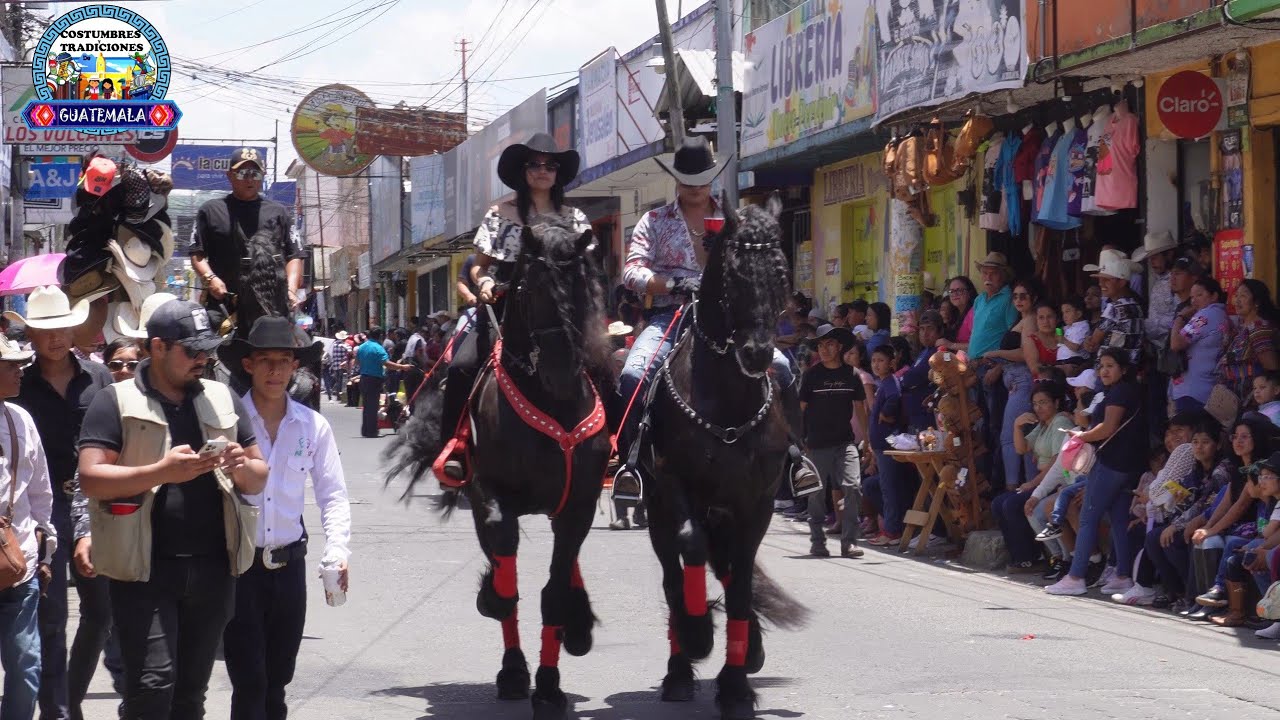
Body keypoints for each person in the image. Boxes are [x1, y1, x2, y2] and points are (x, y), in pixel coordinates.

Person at [76, 300, 269, 720]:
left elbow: (258, 477)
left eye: (207, 350)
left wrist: (241, 464)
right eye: (192, 350)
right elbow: (91, 478)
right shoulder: (114, 400)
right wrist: (160, 471)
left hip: (214, 568)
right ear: (158, 347)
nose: (203, 359)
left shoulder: (221, 397)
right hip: (144, 568)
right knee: (150, 686)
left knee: (190, 693)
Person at [612, 136, 809, 501]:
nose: (695, 185)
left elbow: (758, 264)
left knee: (782, 367)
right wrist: (672, 281)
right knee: (634, 374)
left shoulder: (734, 218)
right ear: (676, 178)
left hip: (731, 319)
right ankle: (634, 463)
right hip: (671, 314)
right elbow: (631, 272)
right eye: (688, 177)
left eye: (702, 177)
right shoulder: (653, 220)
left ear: (712, 177)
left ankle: (797, 457)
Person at [219, 317, 351, 720]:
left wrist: (338, 549)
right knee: (249, 680)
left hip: (289, 567)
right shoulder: (229, 423)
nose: (275, 370)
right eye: (265, 360)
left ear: (296, 366)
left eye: (284, 360)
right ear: (248, 365)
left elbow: (333, 494)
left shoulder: (313, 426)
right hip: (240, 569)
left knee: (278, 680)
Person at [438, 133, 591, 479]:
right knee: (462, 366)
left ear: (558, 173)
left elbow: (586, 268)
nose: (542, 171)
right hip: (507, 307)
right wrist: (486, 281)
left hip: (561, 314)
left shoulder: (575, 218)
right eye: (534, 164)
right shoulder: (500, 213)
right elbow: (479, 266)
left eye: (549, 165)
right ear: (523, 171)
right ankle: (454, 446)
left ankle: (610, 447)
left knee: (606, 366)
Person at [6, 286, 114, 720]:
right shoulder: (18, 384)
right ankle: (58, 710)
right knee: (50, 620)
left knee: (102, 612)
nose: (56, 339)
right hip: (41, 512)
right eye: (45, 330)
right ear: (30, 334)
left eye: (63, 329)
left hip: (95, 507)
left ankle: (70, 696)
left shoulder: (99, 379)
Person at [1045, 348, 1147, 596]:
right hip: (1128, 464)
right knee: (1119, 520)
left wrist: (1083, 435)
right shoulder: (1121, 391)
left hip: (1112, 463)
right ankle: (1123, 575)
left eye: (1110, 365)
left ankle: (1076, 576)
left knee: (1089, 516)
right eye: (1101, 366)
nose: (1104, 371)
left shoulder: (1120, 392)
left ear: (1123, 369)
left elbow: (1108, 427)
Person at [189, 148, 306, 337]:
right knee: (210, 354)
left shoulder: (279, 212)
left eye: (255, 173)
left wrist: (291, 290)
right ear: (230, 175)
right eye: (243, 173)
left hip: (272, 307)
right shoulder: (210, 211)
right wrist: (210, 279)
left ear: (263, 175)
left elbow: (295, 254)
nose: (250, 179)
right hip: (226, 308)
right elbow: (197, 253)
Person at [0, 334, 56, 720]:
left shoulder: (20, 420)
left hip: (17, 565)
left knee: (26, 665)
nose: (20, 371)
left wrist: (44, 550)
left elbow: (40, 494)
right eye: (10, 365)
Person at [798, 325, 868, 559]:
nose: (824, 349)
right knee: (816, 494)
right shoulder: (811, 376)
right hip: (815, 444)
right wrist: (800, 439)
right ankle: (818, 541)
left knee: (853, 487)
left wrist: (867, 440)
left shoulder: (852, 375)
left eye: (829, 344)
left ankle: (849, 543)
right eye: (820, 345)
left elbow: (860, 410)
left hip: (845, 444)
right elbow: (801, 410)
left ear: (839, 347)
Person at [995, 381, 1074, 573]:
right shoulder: (1043, 424)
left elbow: (1057, 463)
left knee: (1014, 505)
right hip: (1043, 481)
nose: (1038, 408)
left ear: (1056, 403)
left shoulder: (1060, 423)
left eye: (1043, 402)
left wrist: (1032, 484)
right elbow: (1021, 448)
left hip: (1058, 481)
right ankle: (1024, 557)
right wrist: (1016, 425)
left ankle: (1051, 557)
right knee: (998, 503)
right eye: (1035, 403)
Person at [1169, 277, 1229, 413]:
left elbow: (1176, 343)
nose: (1194, 301)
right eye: (1192, 297)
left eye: (1199, 295)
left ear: (1214, 296)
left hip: (1192, 390)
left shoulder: (1204, 316)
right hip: (1208, 387)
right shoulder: (1222, 315)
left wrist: (1180, 317)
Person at [1218, 279, 1280, 404]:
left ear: (1256, 302)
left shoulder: (1259, 330)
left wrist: (1258, 396)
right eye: (1237, 296)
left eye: (1243, 296)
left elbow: (1271, 369)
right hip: (1234, 402)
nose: (1237, 300)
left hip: (1251, 403)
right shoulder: (1242, 330)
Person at [1083, 253, 1145, 366]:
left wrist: (1088, 342)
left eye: (1106, 280)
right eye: (1100, 279)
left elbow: (1093, 342)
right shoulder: (1135, 305)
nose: (1101, 284)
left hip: (1110, 372)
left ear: (1121, 282)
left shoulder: (1114, 308)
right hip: (1128, 369)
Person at [355, 327, 411, 439]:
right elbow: (387, 363)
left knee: (366, 406)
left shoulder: (361, 347)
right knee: (373, 406)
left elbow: (357, 362)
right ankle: (371, 431)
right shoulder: (378, 348)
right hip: (374, 379)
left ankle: (366, 430)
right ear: (380, 336)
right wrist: (402, 367)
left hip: (364, 378)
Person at [939, 276, 977, 348]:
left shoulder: (973, 313)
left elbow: (978, 346)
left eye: (959, 290)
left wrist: (951, 345)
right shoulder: (955, 314)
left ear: (969, 292)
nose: (955, 294)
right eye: (951, 291)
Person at [326, 331, 352, 402]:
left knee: (337, 380)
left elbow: (329, 353)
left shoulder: (333, 344)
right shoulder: (345, 345)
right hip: (343, 365)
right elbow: (350, 352)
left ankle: (338, 395)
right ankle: (342, 395)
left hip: (335, 365)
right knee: (343, 380)